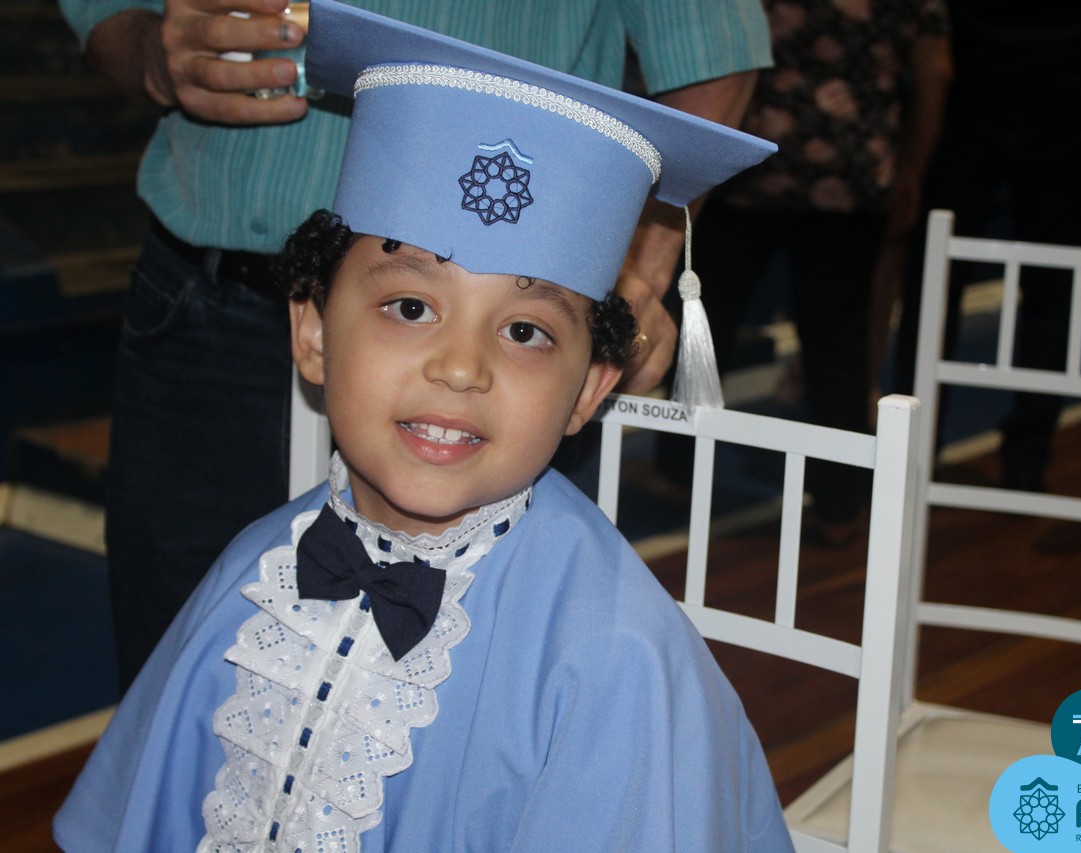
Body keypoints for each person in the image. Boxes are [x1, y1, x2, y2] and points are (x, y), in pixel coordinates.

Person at [53, 3, 790, 848]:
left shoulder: (614, 659)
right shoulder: (254, 571)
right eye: (410, 306)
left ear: (590, 386)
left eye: (525, 330)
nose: (460, 367)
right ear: (313, 331)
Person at [654, 0, 951, 546]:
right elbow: (935, 70)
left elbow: (711, 51)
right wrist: (911, 169)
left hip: (752, 164)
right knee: (837, 344)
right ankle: (840, 505)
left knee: (705, 322)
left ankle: (676, 471)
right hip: (856, 167)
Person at [892, 1, 1081, 492]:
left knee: (935, 288)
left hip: (979, 105)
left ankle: (915, 450)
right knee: (1047, 295)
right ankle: (1025, 460)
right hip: (1059, 107)